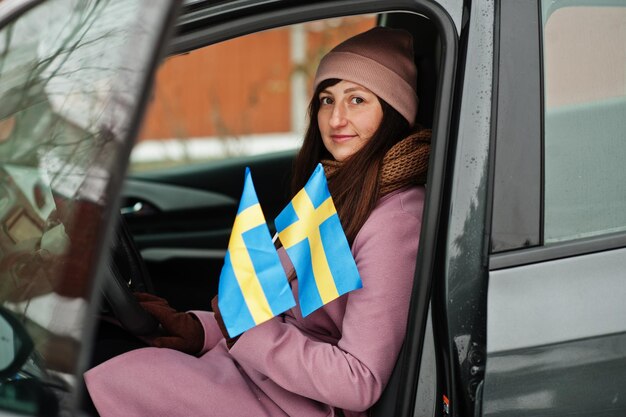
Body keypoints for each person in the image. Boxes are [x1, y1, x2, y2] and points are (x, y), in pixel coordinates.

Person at [84, 26, 431, 417]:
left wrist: (247, 332)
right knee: (101, 362)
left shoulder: (394, 219)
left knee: (85, 384)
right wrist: (198, 330)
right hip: (254, 380)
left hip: (288, 404)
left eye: (357, 100)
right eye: (326, 100)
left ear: (394, 113)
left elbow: (358, 380)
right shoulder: (337, 189)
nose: (336, 118)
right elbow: (282, 319)